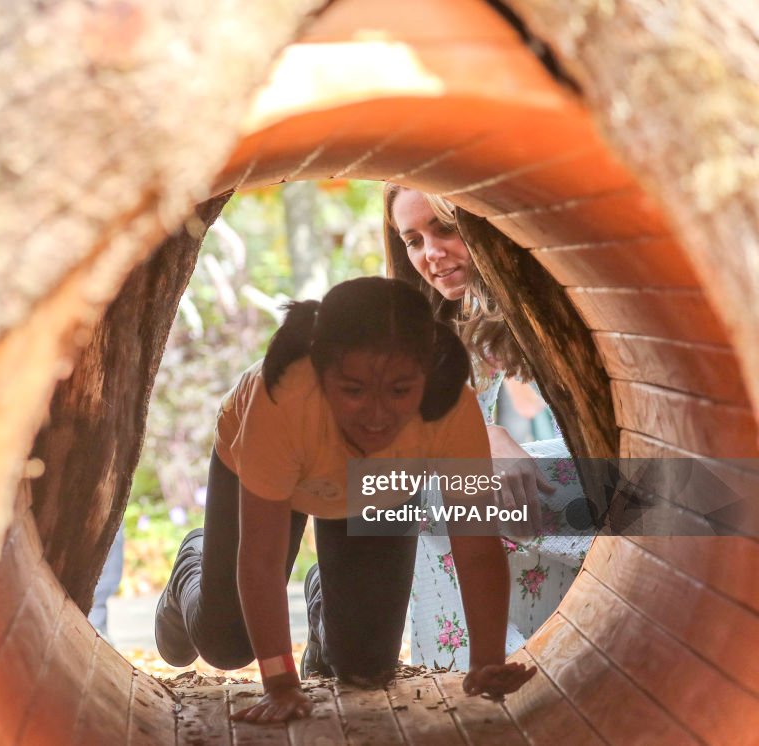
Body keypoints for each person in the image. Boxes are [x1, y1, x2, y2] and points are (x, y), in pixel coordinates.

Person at [153, 276, 536, 723]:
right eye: (353, 390)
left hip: (379, 484)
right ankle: (192, 567)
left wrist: (487, 661)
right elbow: (260, 559)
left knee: (367, 667)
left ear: (427, 375)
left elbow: (478, 548)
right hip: (270, 468)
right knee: (226, 644)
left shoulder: (451, 404)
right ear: (320, 371)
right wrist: (280, 683)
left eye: (399, 391)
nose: (377, 415)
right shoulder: (281, 398)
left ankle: (325, 598)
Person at [383, 184, 593, 670]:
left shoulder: (555, 307)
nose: (432, 254)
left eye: (445, 228)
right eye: (413, 240)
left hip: (566, 512)